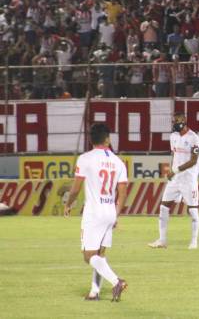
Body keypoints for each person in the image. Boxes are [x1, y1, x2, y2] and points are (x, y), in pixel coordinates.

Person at [63, 123, 129, 302]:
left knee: (88, 256)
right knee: (100, 255)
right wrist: (116, 214)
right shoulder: (118, 162)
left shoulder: (85, 158)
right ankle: (94, 292)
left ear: (91, 139)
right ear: (107, 139)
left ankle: (116, 281)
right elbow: (122, 193)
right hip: (110, 211)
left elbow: (76, 189)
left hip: (93, 213)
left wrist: (68, 204)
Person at [149, 113, 199, 249]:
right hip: (175, 178)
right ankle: (162, 240)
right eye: (173, 122)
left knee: (193, 210)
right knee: (163, 206)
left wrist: (175, 170)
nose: (174, 124)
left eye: (177, 121)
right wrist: (172, 171)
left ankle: (194, 241)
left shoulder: (194, 138)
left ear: (184, 121)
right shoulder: (173, 137)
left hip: (189, 179)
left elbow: (194, 161)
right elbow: (174, 154)